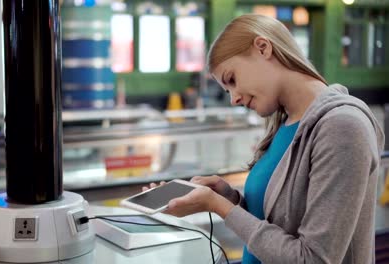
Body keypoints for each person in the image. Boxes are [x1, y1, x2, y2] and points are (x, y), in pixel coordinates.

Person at [144, 14, 384, 263]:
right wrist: (230, 198)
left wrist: (219, 207)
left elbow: (312, 259)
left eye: (232, 80)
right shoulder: (285, 122)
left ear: (263, 48)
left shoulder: (342, 126)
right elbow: (275, 221)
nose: (233, 98)